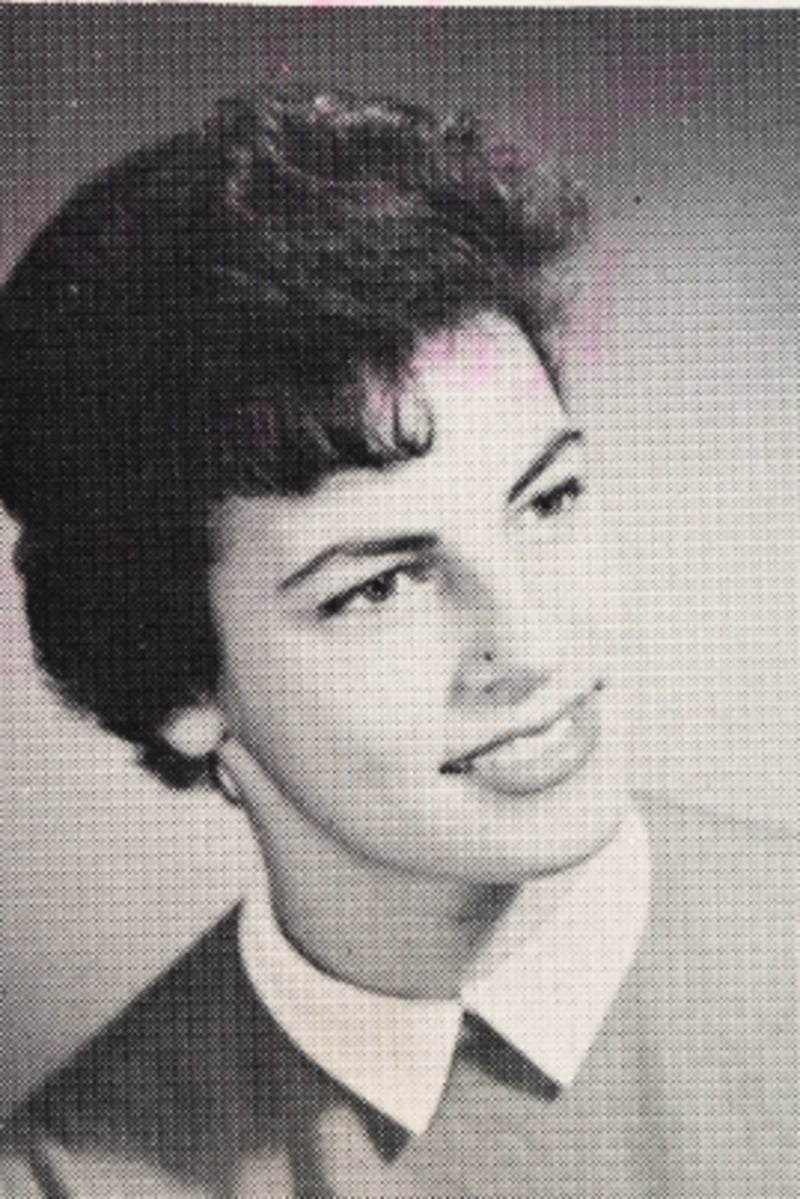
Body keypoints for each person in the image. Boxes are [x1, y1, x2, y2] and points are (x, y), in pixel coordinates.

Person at [0, 84, 795, 1198]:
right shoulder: (66, 1179)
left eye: (547, 500)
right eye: (381, 586)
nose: (525, 642)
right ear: (176, 678)